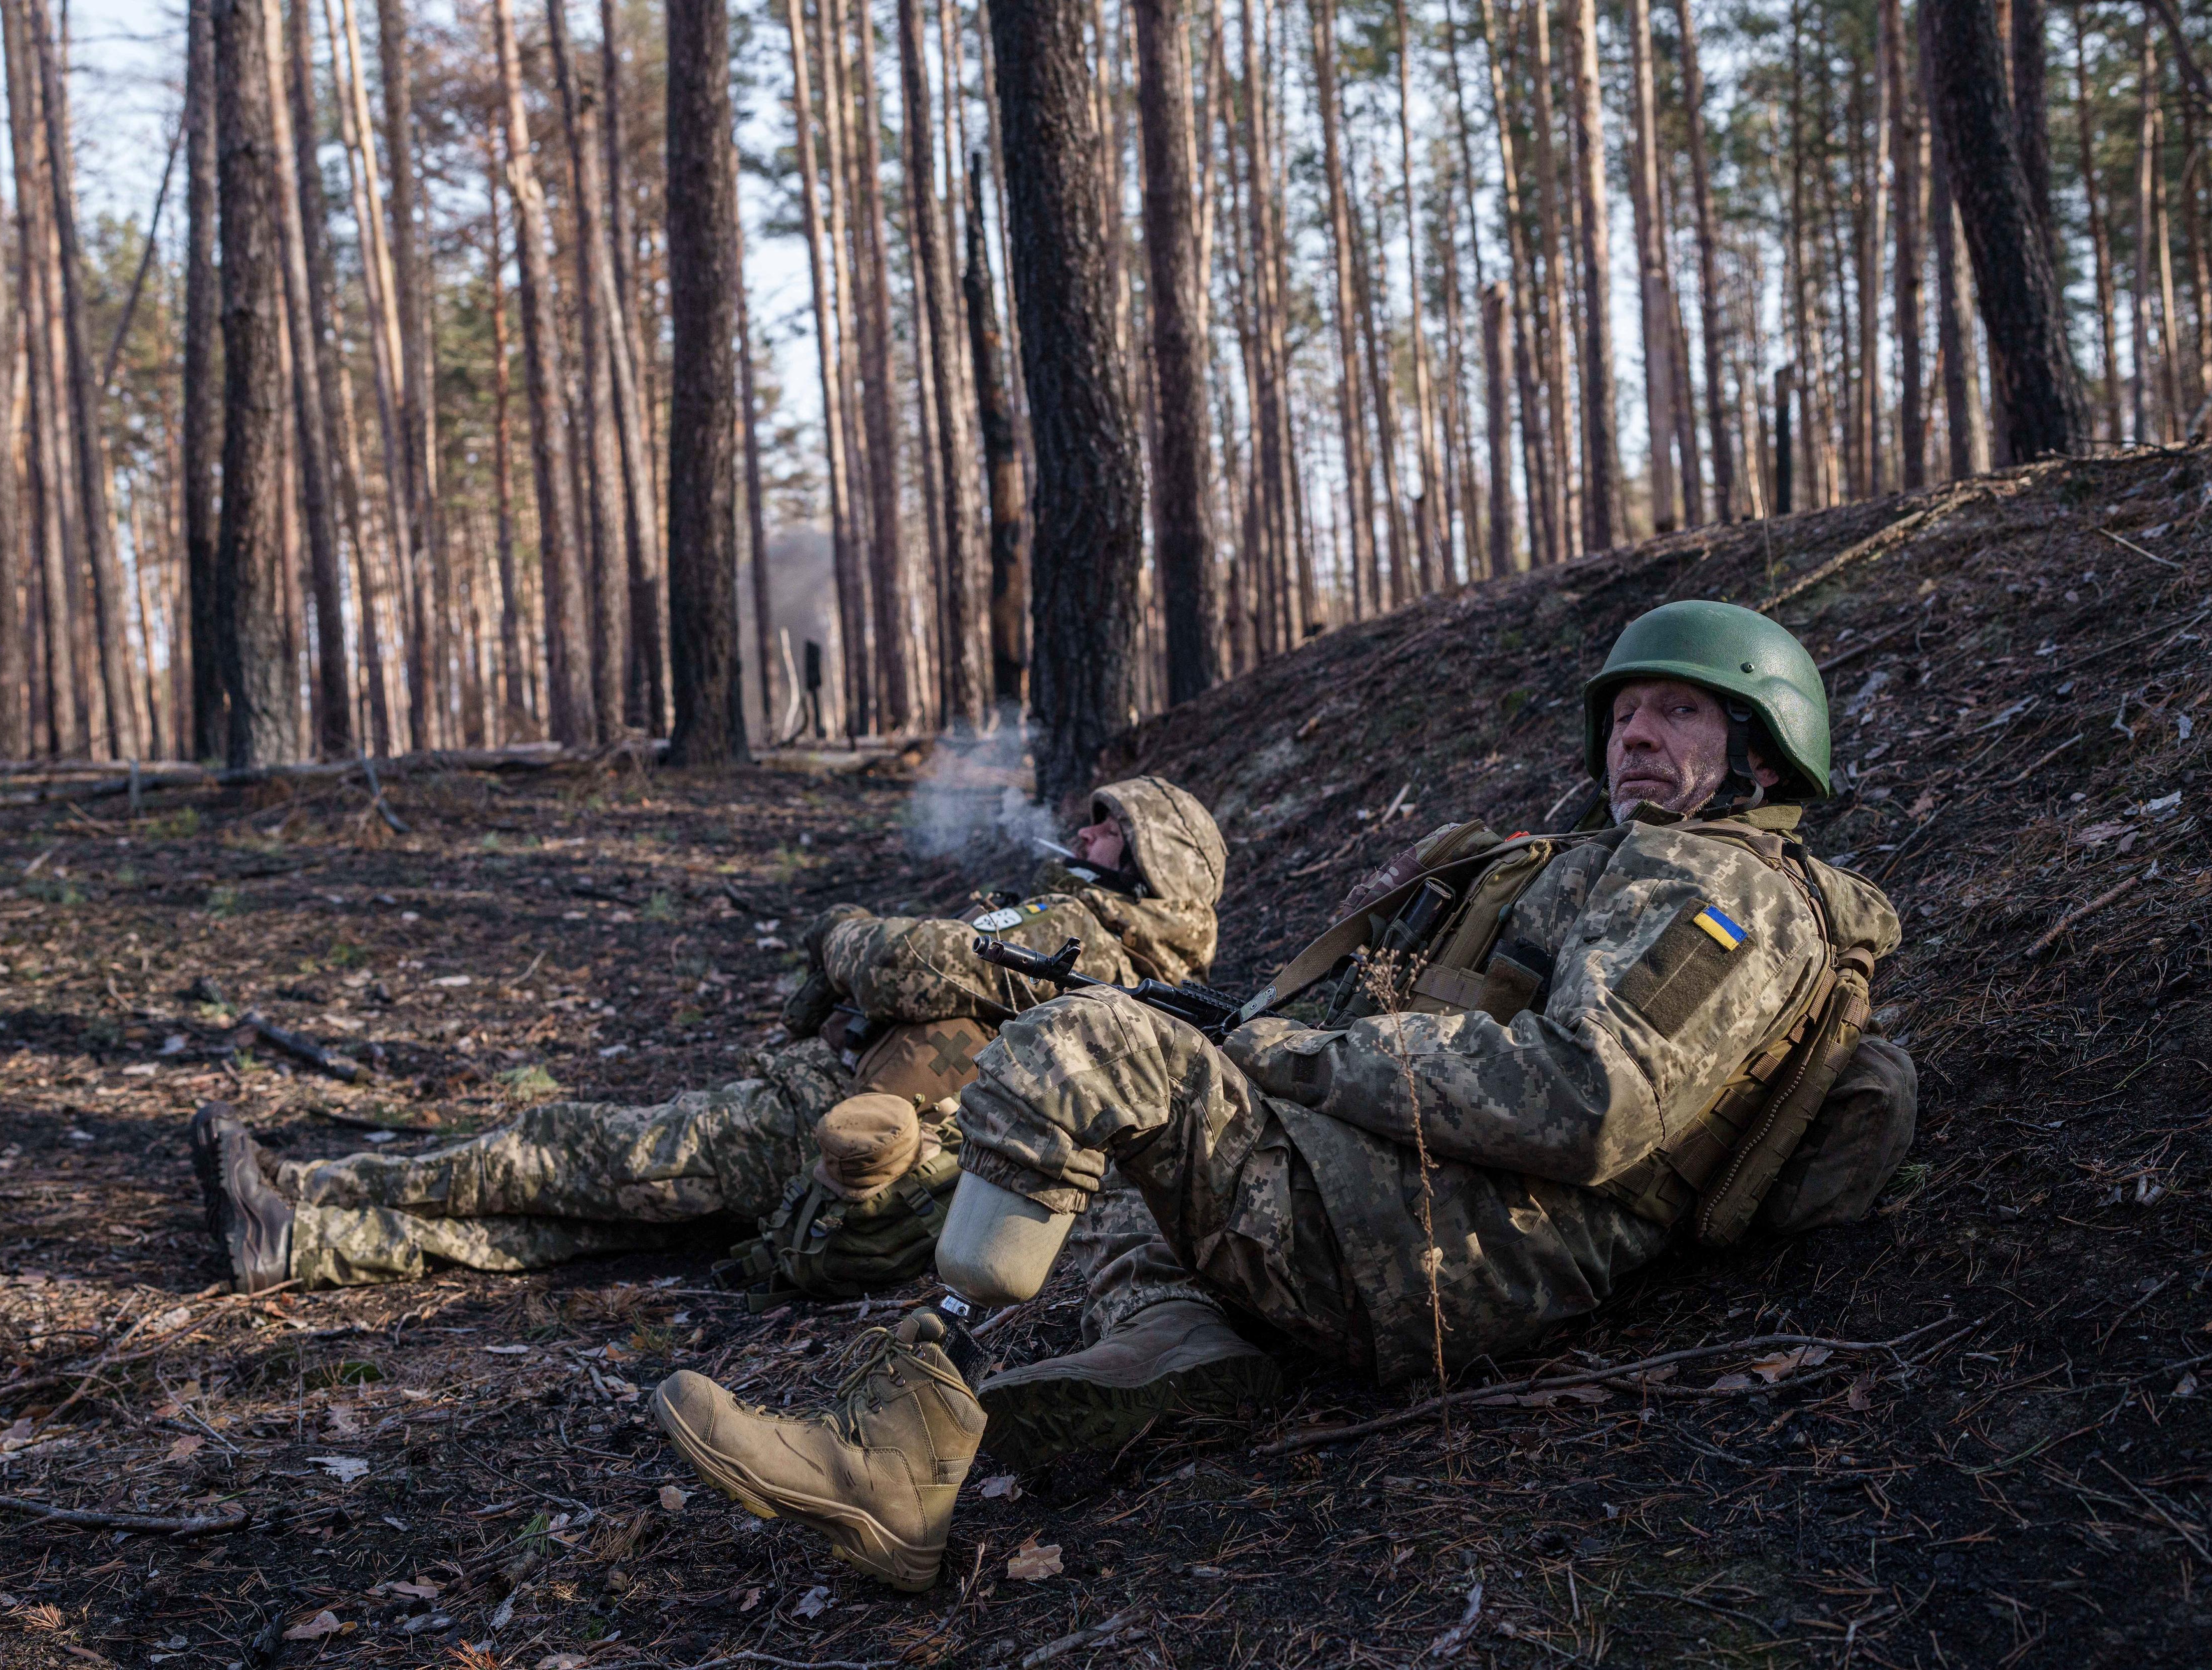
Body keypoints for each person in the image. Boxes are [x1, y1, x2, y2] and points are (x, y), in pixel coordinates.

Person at [650, 600, 1919, 1593]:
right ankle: (1181, 1336)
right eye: (1623, 712)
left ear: (1760, 750)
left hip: (1461, 1252)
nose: (1634, 734)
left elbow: (1590, 1098)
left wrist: (1294, 1057)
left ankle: (899, 1459)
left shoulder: (1725, 893)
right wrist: (1277, 1037)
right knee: (1142, 1072)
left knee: (1088, 1046)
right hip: (1415, 1206)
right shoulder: (1589, 861)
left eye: (1679, 715)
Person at [190, 777, 1230, 1294]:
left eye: (1108, 827)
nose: (1084, 831)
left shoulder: (1080, 930)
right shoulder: (1125, 958)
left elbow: (912, 964)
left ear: (1149, 864)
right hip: (857, 1149)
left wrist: (841, 934)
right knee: (580, 1225)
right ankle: (295, 1231)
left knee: (559, 1149)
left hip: (820, 1125)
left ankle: (315, 1192)